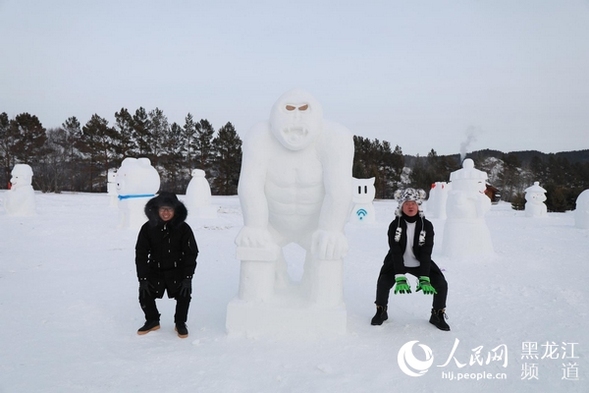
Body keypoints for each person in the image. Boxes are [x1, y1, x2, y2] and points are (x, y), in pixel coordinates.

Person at [371, 188, 450, 331]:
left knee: (441, 284)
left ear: (418, 205)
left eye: (413, 203)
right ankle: (381, 311)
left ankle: (437, 314)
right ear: (401, 206)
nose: (410, 206)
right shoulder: (394, 225)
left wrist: (424, 276)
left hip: (420, 263)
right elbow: (395, 251)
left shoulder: (427, 226)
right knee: (383, 281)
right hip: (397, 262)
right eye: (406, 203)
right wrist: (399, 275)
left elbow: (426, 252)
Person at [135, 192, 198, 338]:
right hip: (154, 270)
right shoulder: (148, 228)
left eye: (169, 209)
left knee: (184, 294)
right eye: (162, 208)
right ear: (156, 209)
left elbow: (191, 253)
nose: (166, 212)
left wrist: (188, 277)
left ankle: (180, 322)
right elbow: (141, 254)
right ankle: (152, 320)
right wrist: (143, 278)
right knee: (145, 293)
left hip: (177, 270)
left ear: (176, 210)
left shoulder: (184, 229)